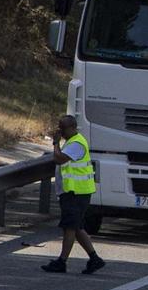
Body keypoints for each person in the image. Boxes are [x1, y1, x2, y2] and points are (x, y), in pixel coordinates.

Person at [44, 115, 105, 275]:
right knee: (77, 227)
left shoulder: (77, 143)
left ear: (72, 127)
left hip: (76, 193)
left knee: (70, 227)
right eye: (59, 128)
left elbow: (58, 159)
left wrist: (55, 143)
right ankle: (94, 259)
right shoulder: (72, 141)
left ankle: (62, 261)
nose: (60, 131)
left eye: (62, 128)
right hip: (73, 192)